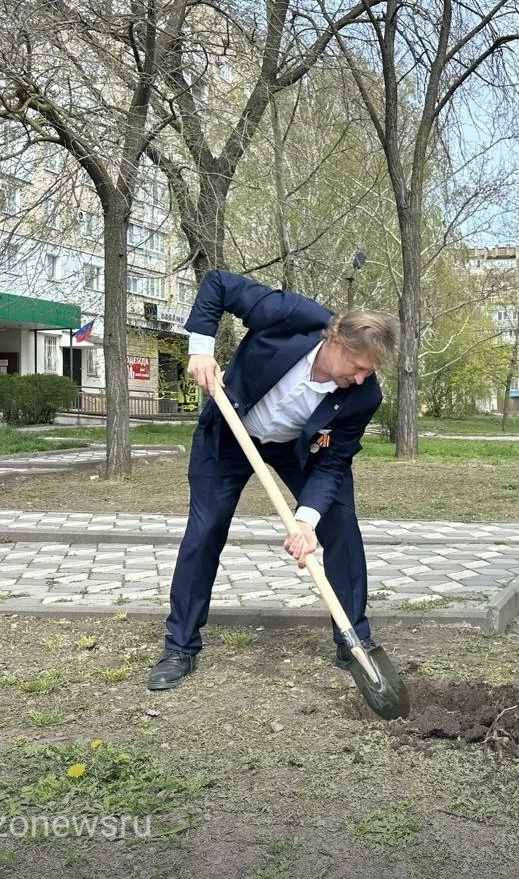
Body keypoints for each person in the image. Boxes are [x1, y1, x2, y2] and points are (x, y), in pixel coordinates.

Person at [147, 270, 398, 691]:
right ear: (337, 339)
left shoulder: (364, 395)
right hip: (231, 430)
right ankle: (180, 647)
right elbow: (218, 285)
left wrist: (306, 521)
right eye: (357, 367)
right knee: (205, 530)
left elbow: (333, 463)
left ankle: (354, 639)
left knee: (340, 523)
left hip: (297, 450)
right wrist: (201, 348)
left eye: (367, 372)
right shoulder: (293, 316)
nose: (360, 379)